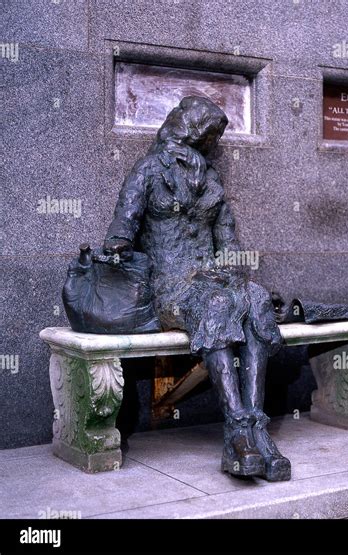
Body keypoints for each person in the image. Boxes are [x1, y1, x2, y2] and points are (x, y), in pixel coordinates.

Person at [103, 96, 290, 481]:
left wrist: (234, 271)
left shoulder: (212, 182)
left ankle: (257, 428)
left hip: (210, 281)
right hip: (169, 288)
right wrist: (116, 249)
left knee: (255, 299)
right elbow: (120, 233)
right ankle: (236, 433)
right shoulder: (147, 172)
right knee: (220, 303)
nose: (204, 145)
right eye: (202, 135)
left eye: (209, 140)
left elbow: (229, 243)